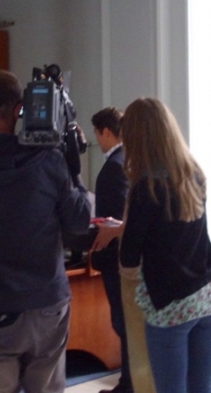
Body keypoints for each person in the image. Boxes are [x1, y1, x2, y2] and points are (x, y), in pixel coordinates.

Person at [0, 70, 92, 393]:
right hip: (46, 300)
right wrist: (74, 170)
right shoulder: (49, 160)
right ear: (19, 109)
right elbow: (80, 222)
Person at [110, 98, 211, 393]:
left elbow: (129, 258)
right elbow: (180, 231)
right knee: (202, 388)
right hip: (208, 293)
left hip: (171, 304)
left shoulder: (145, 187)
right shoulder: (194, 172)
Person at [86, 107, 131, 393]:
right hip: (122, 256)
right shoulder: (128, 159)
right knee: (124, 322)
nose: (96, 140)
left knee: (123, 321)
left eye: (97, 133)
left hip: (115, 257)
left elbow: (117, 216)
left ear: (106, 132)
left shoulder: (115, 166)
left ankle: (128, 384)